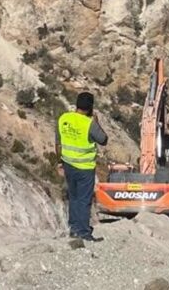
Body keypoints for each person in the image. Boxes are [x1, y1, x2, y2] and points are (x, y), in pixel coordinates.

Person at [56, 91, 108, 240]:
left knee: (73, 196)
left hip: (68, 164)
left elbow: (58, 142)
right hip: (85, 167)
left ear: (77, 104)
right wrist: (96, 122)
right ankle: (84, 232)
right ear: (91, 107)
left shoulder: (64, 118)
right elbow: (103, 139)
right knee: (84, 199)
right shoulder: (89, 123)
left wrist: (59, 161)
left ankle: (73, 228)